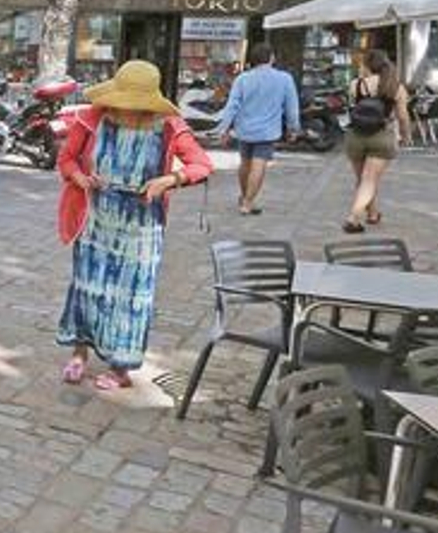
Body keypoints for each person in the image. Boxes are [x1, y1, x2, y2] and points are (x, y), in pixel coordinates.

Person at [55, 61, 213, 390]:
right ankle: (79, 353)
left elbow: (202, 165)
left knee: (131, 296)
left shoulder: (168, 125)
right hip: (97, 218)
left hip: (142, 224)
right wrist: (81, 178)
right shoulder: (93, 118)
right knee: (87, 287)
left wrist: (170, 179)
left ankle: (120, 368)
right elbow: (66, 160)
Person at [214, 43, 299, 215]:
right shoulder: (284, 79)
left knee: (245, 163)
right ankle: (247, 202)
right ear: (271, 58)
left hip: (244, 129)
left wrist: (223, 128)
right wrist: (293, 128)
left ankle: (245, 196)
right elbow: (292, 107)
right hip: (267, 131)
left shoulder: (242, 79)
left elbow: (232, 106)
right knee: (259, 165)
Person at [342, 48, 413, 233]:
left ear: (367, 65)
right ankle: (354, 217)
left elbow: (353, 106)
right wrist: (406, 136)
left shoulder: (355, 84)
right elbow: (403, 117)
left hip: (356, 136)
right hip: (381, 136)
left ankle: (373, 214)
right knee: (369, 180)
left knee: (363, 179)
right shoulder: (395, 87)